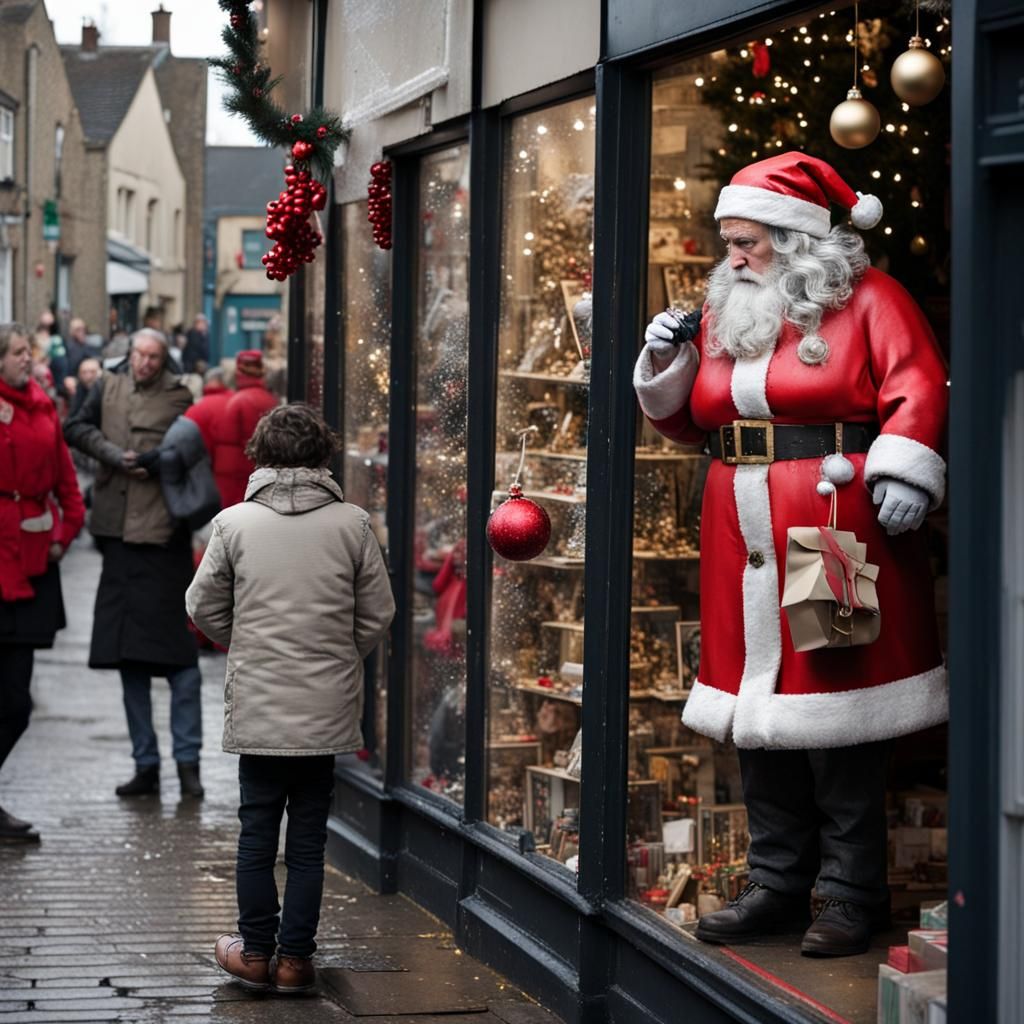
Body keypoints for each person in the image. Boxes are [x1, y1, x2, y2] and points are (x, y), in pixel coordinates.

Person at [633, 153, 948, 958]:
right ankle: (778, 882)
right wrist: (667, 363)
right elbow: (690, 420)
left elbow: (918, 381)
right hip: (739, 531)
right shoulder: (728, 310)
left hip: (833, 522)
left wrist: (906, 463)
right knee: (757, 717)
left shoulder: (872, 300)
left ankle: (850, 893)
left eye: (747, 242)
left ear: (796, 238)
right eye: (728, 241)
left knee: (839, 704)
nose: (732, 257)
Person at [186, 404, 394, 993]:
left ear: (260, 455)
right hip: (324, 707)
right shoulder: (352, 524)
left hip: (261, 703)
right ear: (322, 455)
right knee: (307, 840)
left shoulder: (234, 524)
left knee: (256, 831)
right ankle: (295, 961)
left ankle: (255, 953)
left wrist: (243, 640)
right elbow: (378, 612)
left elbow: (200, 605)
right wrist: (337, 651)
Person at [64, 328, 205, 800]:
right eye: (139, 354)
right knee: (129, 661)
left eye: (153, 356)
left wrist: (158, 460)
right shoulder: (107, 385)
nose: (144, 363)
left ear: (164, 360)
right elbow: (75, 428)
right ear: (129, 355)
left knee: (181, 662)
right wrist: (110, 454)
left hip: (164, 540)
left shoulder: (180, 396)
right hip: (119, 539)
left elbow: (193, 454)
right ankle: (145, 764)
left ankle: (189, 765)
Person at [0, 323, 85, 842]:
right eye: (15, 351)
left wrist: (64, 533)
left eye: (27, 350)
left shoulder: (44, 406)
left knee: (15, 704)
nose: (26, 358)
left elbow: (66, 484)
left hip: (32, 564)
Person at [211, 351, 278, 507]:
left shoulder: (238, 401)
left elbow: (233, 441)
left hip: (237, 479)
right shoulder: (270, 399)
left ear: (238, 371)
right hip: (253, 475)